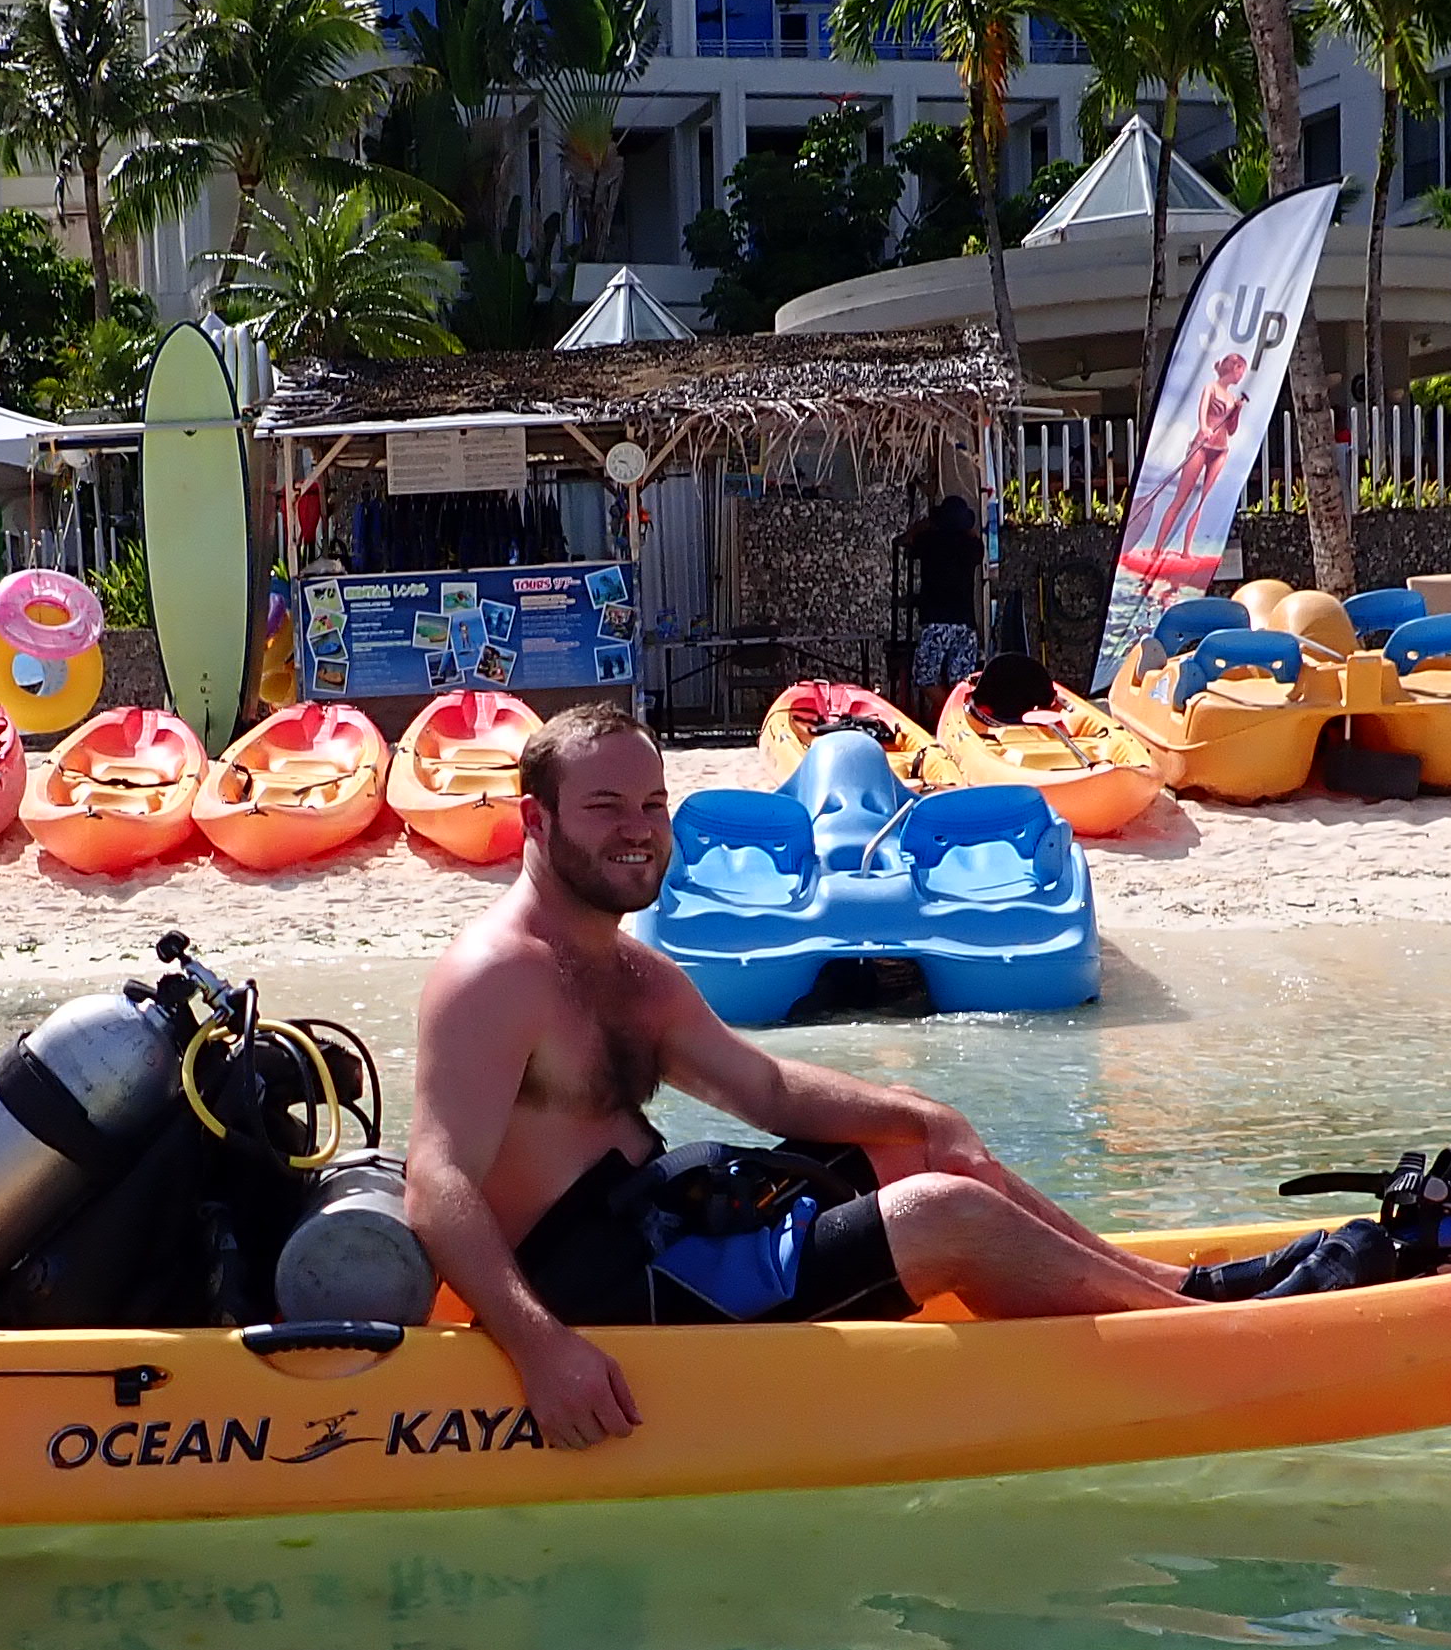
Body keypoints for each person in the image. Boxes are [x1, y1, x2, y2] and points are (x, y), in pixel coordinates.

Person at [405, 703, 1190, 1449]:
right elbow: (436, 1183)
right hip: (598, 1297)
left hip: (664, 1233)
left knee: (913, 1143)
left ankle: (1179, 1288)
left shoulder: (632, 974)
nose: (638, 831)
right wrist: (542, 1351)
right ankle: (1200, 1336)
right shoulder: (496, 976)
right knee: (945, 1213)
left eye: (652, 804)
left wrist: (924, 1120)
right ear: (535, 821)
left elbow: (765, 1090)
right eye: (605, 807)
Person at [899, 493, 986, 705]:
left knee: (925, 676)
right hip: (965, 621)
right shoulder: (972, 546)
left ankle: (944, 710)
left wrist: (923, 526)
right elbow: (975, 539)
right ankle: (956, 715)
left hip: (937, 620)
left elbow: (907, 540)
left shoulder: (929, 541)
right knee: (961, 681)